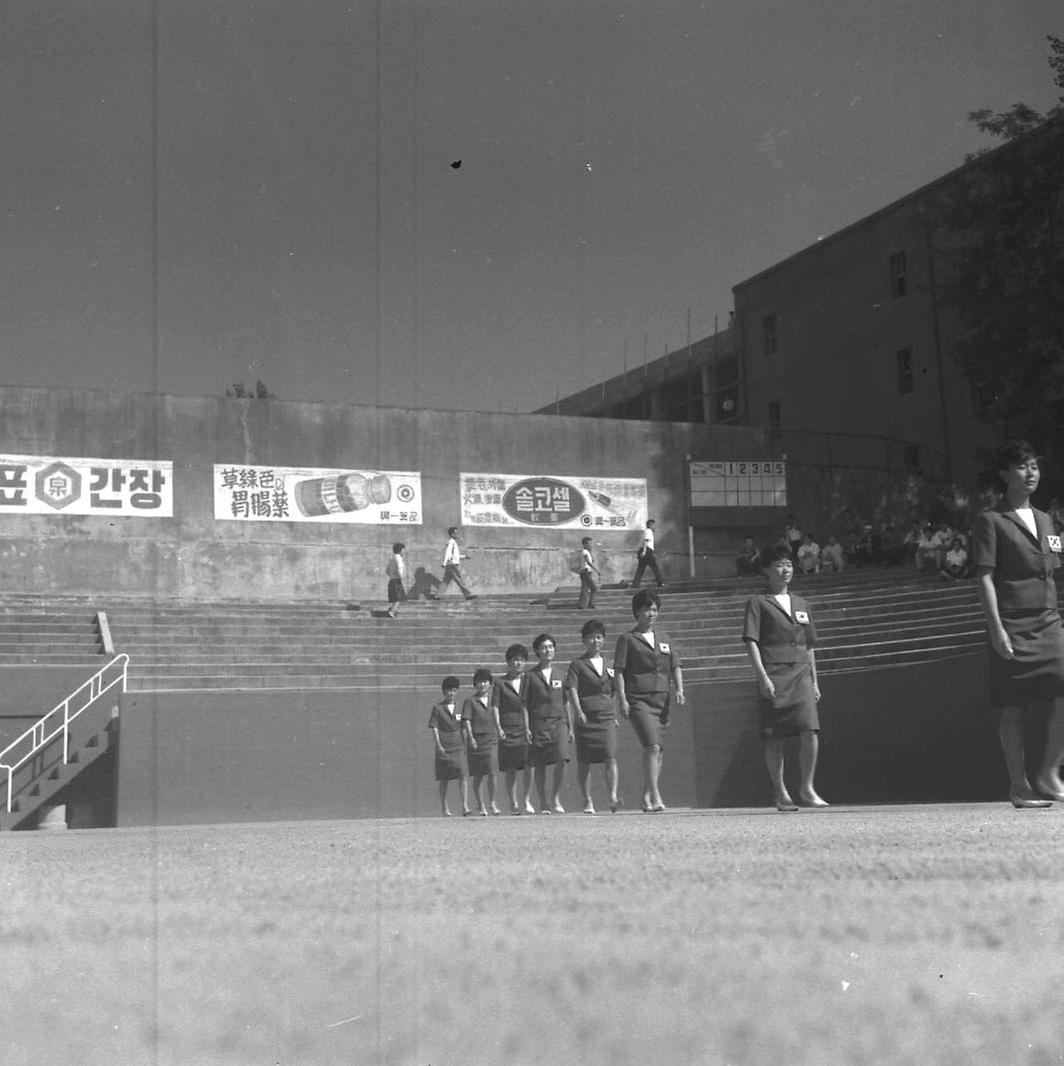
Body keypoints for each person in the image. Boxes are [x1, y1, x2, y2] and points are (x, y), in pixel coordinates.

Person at [972, 440, 1064, 809]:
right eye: (1023, 467)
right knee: (1014, 707)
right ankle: (1020, 786)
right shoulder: (990, 520)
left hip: (1048, 623)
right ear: (1004, 474)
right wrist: (996, 629)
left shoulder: (1046, 520)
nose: (1031, 473)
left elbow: (1052, 573)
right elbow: (985, 578)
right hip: (1012, 623)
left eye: (1035, 467)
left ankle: (1049, 772)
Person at [742, 546, 827, 811]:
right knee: (774, 737)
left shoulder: (802, 603)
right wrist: (762, 676)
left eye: (789, 564)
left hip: (801, 672)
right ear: (767, 570)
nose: (785, 570)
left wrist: (815, 681)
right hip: (774, 673)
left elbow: (810, 644)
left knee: (810, 730)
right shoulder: (758, 602)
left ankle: (807, 787)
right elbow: (751, 642)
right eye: (779, 565)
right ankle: (781, 792)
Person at [613, 589, 685, 812]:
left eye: (654, 609)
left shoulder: (664, 639)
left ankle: (646, 796)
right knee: (652, 745)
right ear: (637, 612)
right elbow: (619, 671)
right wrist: (623, 699)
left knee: (658, 749)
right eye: (647, 609)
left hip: (661, 700)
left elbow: (675, 666)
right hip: (639, 699)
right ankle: (656, 796)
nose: (651, 613)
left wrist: (679, 689)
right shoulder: (628, 639)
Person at [565, 618, 620, 814]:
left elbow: (614, 690)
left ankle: (612, 796)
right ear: (584, 640)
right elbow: (572, 690)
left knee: (610, 756)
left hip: (606, 716)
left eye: (599, 637)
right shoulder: (577, 665)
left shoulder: (610, 664)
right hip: (586, 717)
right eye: (591, 638)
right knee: (585, 760)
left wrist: (613, 713)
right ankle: (587, 799)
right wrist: (578, 711)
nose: (595, 641)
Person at [522, 633, 573, 813]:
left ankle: (555, 797)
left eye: (551, 646)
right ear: (537, 651)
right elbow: (525, 704)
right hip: (538, 724)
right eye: (544, 647)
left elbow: (566, 701)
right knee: (540, 763)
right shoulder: (530, 676)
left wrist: (570, 726)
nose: (548, 650)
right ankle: (543, 800)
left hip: (559, 723)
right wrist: (527, 727)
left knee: (563, 759)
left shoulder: (561, 674)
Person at [492, 643, 535, 814]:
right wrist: (499, 728)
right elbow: (495, 706)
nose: (518, 663)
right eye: (514, 660)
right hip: (508, 729)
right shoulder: (500, 683)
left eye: (521, 660)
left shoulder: (529, 679)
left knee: (529, 764)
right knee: (510, 768)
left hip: (527, 728)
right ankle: (513, 803)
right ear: (508, 662)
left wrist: (531, 726)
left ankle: (526, 800)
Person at [428, 676, 469, 817]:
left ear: (457, 691)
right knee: (444, 778)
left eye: (453, 690)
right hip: (444, 747)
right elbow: (434, 728)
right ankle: (445, 808)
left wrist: (466, 744)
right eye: (448, 691)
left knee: (463, 775)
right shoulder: (437, 708)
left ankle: (465, 806)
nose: (451, 693)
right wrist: (438, 745)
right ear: (443, 692)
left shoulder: (460, 707)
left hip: (458, 746)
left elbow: (464, 727)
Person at [463, 668, 500, 815]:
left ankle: (492, 803)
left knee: (492, 772)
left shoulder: (494, 700)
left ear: (490, 684)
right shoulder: (470, 701)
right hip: (476, 741)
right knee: (478, 775)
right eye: (479, 682)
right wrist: (471, 738)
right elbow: (467, 721)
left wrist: (500, 730)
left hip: (491, 740)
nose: (482, 684)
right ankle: (481, 805)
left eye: (485, 681)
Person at [440, 526, 477, 600]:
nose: (457, 534)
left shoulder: (453, 543)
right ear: (452, 534)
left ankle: (437, 595)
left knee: (445, 581)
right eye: (456, 533)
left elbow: (455, 555)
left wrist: (464, 557)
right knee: (459, 579)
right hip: (452, 564)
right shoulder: (451, 542)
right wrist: (444, 563)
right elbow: (448, 553)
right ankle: (468, 594)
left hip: (450, 564)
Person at [631, 519, 666, 589]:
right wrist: (644, 551)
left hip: (643, 551)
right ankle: (661, 583)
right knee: (655, 567)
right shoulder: (648, 531)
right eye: (653, 525)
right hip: (647, 551)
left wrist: (642, 551)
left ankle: (635, 585)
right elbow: (646, 541)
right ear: (650, 525)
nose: (655, 527)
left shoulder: (645, 531)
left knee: (641, 569)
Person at [577, 536, 600, 609]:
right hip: (586, 572)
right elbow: (589, 562)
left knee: (584, 589)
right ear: (584, 544)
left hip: (584, 572)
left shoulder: (587, 552)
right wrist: (597, 570)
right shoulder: (585, 552)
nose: (591, 545)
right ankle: (591, 603)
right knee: (594, 588)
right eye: (589, 544)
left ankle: (582, 605)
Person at [385, 542, 406, 619]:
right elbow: (400, 568)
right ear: (400, 550)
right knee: (398, 599)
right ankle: (392, 612)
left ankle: (392, 610)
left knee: (395, 598)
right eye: (403, 550)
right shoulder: (398, 558)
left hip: (391, 581)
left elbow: (387, 571)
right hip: (397, 581)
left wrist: (392, 575)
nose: (404, 552)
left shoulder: (392, 558)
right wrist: (401, 577)